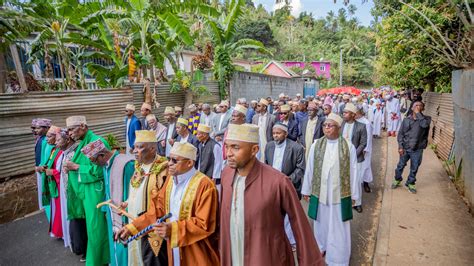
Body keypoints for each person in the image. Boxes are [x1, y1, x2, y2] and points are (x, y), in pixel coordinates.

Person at [220, 124, 323, 266]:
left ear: (254, 150)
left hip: (266, 257)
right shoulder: (226, 175)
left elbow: (300, 226)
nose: (228, 153)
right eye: (227, 146)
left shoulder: (278, 182)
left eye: (235, 147)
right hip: (232, 253)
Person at [117, 142, 220, 266]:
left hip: (197, 250)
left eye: (175, 160)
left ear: (189, 163)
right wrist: (132, 227)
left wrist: (173, 229)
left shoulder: (205, 185)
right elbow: (157, 210)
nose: (169, 163)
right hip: (174, 247)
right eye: (169, 159)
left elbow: (205, 224)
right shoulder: (171, 180)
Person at [301, 113, 358, 266]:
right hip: (321, 192)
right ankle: (321, 246)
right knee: (321, 222)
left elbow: (353, 171)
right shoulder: (316, 145)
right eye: (324, 125)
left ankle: (338, 257)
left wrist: (355, 195)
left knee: (338, 225)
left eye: (330, 125)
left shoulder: (348, 146)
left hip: (340, 194)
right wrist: (306, 190)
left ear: (338, 128)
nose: (326, 128)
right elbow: (310, 168)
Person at [63, 115, 110, 265]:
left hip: (96, 192)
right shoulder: (83, 141)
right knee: (92, 228)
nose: (69, 133)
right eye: (68, 130)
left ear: (83, 126)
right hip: (87, 192)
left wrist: (75, 167)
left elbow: (100, 171)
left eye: (72, 129)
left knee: (97, 228)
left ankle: (100, 260)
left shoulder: (97, 142)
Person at [81, 139, 135, 266]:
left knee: (125, 249)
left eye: (93, 160)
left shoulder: (125, 165)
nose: (93, 164)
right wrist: (106, 211)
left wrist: (125, 213)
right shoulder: (106, 164)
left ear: (102, 155)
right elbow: (107, 190)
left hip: (124, 216)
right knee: (114, 245)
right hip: (112, 213)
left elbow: (130, 193)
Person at [123, 130, 170, 265]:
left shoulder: (163, 169)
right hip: (134, 220)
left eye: (140, 147)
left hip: (151, 228)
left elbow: (163, 201)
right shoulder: (139, 166)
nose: (134, 151)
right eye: (135, 147)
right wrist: (127, 203)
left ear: (152, 148)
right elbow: (136, 191)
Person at [392, 101, 431, 194]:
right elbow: (400, 134)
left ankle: (410, 183)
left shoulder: (426, 119)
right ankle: (397, 179)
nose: (418, 107)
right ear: (412, 108)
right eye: (416, 105)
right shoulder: (406, 120)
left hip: (417, 148)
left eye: (420, 106)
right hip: (405, 148)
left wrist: (418, 114)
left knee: (414, 167)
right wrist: (400, 147)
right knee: (400, 165)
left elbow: (424, 125)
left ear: (423, 108)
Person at [341, 103, 367, 213]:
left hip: (356, 158)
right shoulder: (341, 125)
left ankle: (357, 203)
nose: (343, 115)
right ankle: (344, 201)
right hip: (342, 158)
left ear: (353, 114)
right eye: (343, 112)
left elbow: (363, 143)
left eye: (346, 113)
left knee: (356, 181)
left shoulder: (361, 126)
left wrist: (353, 155)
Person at [38, 126, 64, 239]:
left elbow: (62, 170)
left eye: (49, 136)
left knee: (60, 210)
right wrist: (43, 168)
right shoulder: (53, 149)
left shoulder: (61, 151)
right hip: (53, 184)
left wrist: (52, 172)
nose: (46, 139)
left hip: (59, 185)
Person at [55, 128, 79, 250]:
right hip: (67, 192)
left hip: (75, 194)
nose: (55, 142)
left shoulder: (73, 153)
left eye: (58, 140)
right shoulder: (65, 153)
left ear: (68, 139)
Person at [32, 118, 52, 213]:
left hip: (43, 169)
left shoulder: (48, 140)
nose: (36, 130)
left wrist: (40, 167)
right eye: (34, 128)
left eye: (38, 128)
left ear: (47, 128)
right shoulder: (39, 138)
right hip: (39, 168)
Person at [196, 124, 223, 195]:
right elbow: (199, 161)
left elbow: (218, 162)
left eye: (198, 134)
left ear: (204, 135)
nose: (197, 136)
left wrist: (215, 177)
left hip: (213, 178)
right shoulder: (200, 145)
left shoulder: (215, 146)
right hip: (203, 175)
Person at [355, 106, 374, 193]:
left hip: (364, 150)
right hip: (355, 148)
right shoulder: (354, 122)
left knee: (365, 167)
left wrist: (365, 149)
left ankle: (366, 183)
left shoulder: (366, 123)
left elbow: (369, 138)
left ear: (359, 112)